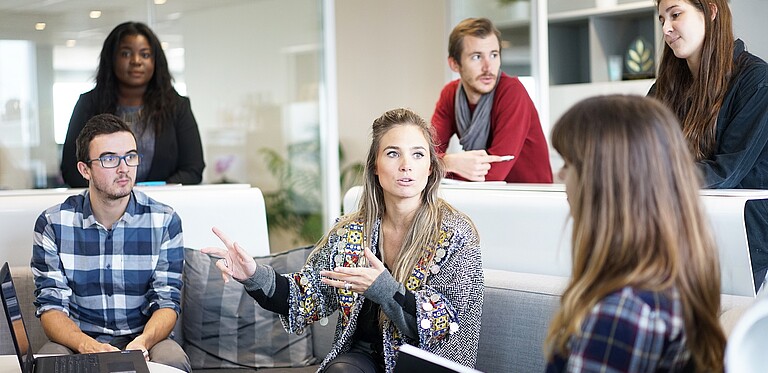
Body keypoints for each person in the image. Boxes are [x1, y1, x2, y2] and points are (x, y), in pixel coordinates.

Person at [203, 108, 483, 373]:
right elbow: (306, 295)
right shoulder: (351, 232)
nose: (406, 165)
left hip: (426, 362)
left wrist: (384, 289)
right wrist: (253, 275)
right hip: (362, 360)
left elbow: (445, 324)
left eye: (418, 155)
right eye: (393, 153)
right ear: (375, 166)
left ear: (431, 169)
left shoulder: (456, 234)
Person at [545, 95, 725, 372]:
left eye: (569, 164)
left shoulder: (622, 314)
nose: (559, 175)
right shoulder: (672, 282)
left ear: (604, 182)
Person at [32, 114, 190, 371]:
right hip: (79, 340)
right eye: (109, 159)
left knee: (172, 360)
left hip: (144, 339)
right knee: (48, 361)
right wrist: (86, 345)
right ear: (85, 170)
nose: (124, 168)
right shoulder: (53, 223)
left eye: (130, 156)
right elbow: (50, 307)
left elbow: (167, 301)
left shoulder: (165, 221)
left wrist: (142, 342)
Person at [649, 0, 768, 290]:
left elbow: (726, 172)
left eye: (676, 14)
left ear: (711, 11)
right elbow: (640, 152)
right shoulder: (665, 88)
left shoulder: (756, 80)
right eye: (662, 18)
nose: (666, 28)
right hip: (680, 228)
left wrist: (649, 177)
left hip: (742, 235)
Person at [60, 21, 205, 188]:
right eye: (126, 54)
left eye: (145, 55)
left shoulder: (177, 107)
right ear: (111, 59)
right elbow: (71, 169)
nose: (136, 61)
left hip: (162, 207)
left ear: (156, 61)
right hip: (103, 208)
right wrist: (113, 192)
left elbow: (193, 169)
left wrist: (153, 193)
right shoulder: (89, 104)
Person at [431, 17, 552, 183]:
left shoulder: (512, 92)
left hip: (530, 199)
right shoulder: (450, 94)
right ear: (454, 64)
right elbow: (425, 156)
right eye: (476, 57)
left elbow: (493, 173)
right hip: (486, 197)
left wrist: (440, 164)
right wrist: (449, 162)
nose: (488, 67)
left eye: (494, 55)